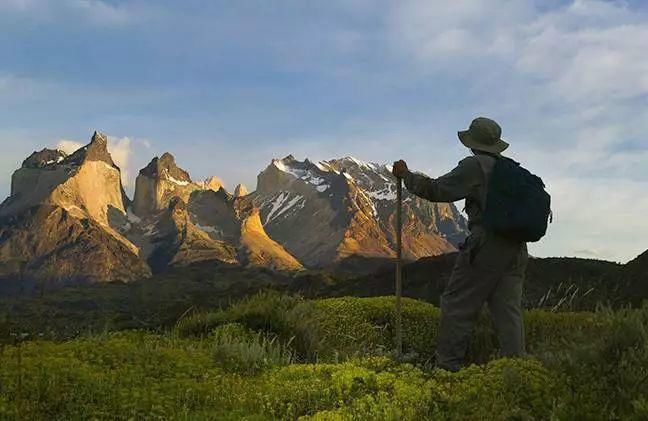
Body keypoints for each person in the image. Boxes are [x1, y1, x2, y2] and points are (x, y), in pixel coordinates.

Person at [392, 117, 529, 372]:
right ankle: (517, 372)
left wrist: (407, 176)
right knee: (508, 312)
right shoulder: (512, 170)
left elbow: (437, 190)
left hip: (486, 246)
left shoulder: (475, 166)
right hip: (517, 250)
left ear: (472, 142)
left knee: (457, 305)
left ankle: (447, 369)